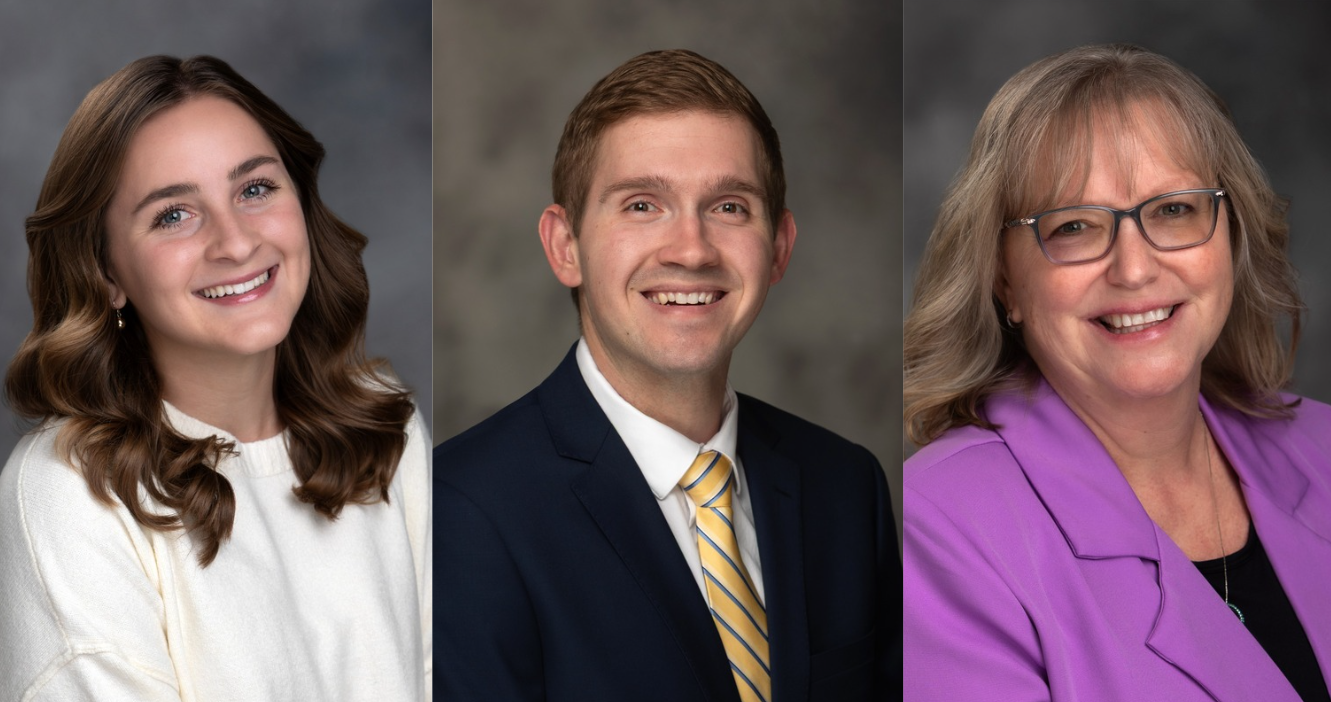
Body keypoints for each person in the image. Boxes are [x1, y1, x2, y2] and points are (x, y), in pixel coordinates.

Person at [436, 49, 896, 701]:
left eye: (729, 207)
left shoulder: (845, 488)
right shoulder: (461, 513)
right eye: (642, 205)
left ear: (779, 248)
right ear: (564, 245)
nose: (691, 248)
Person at [903, 43, 1330, 701]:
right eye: (1073, 226)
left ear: (1230, 235)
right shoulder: (937, 526)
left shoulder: (1320, 447)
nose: (1133, 270)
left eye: (1173, 210)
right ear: (1003, 281)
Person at [0, 56, 431, 700]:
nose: (234, 242)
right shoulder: (68, 494)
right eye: (173, 214)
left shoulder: (383, 425)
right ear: (107, 275)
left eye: (255, 189)